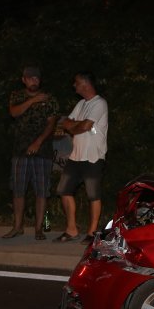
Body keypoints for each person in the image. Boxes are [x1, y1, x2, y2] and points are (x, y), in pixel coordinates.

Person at [3, 66, 60, 240]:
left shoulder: (49, 99)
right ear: (24, 80)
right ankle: (17, 227)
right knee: (18, 190)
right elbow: (14, 112)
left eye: (36, 78)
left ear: (40, 80)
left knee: (41, 191)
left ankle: (38, 229)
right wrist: (33, 100)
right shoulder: (17, 96)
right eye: (30, 78)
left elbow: (51, 124)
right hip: (20, 151)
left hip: (42, 151)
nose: (33, 80)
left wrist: (38, 141)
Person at [54, 71, 108, 245]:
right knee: (64, 190)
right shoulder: (80, 104)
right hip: (75, 156)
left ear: (85, 83)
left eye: (76, 82)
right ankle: (71, 229)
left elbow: (84, 126)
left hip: (93, 157)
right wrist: (77, 126)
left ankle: (92, 232)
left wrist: (76, 126)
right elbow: (66, 123)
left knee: (93, 194)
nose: (74, 85)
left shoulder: (100, 103)